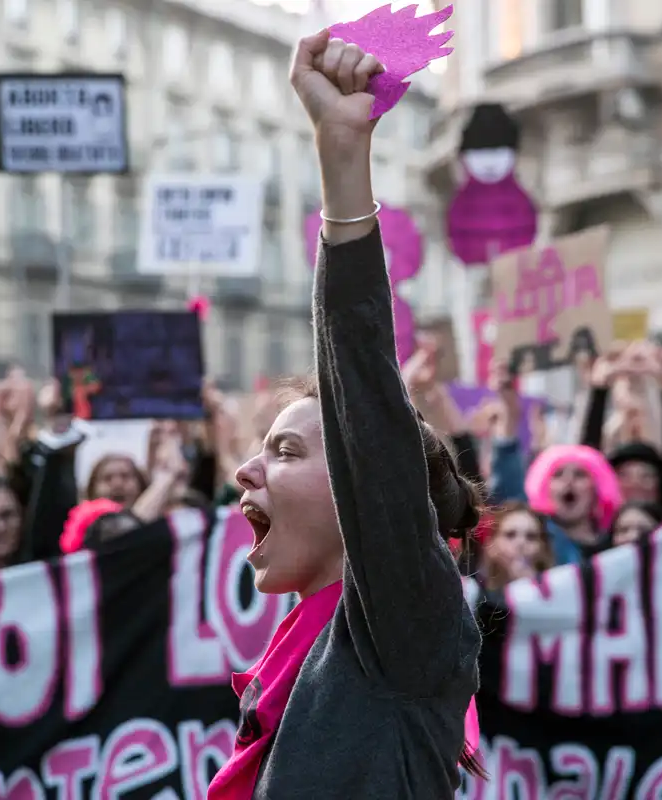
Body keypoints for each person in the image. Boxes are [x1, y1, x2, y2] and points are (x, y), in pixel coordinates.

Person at [207, 31, 483, 799]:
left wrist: (341, 156)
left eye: (288, 452)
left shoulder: (405, 629)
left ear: (365, 487)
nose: (245, 468)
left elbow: (361, 375)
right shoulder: (295, 667)